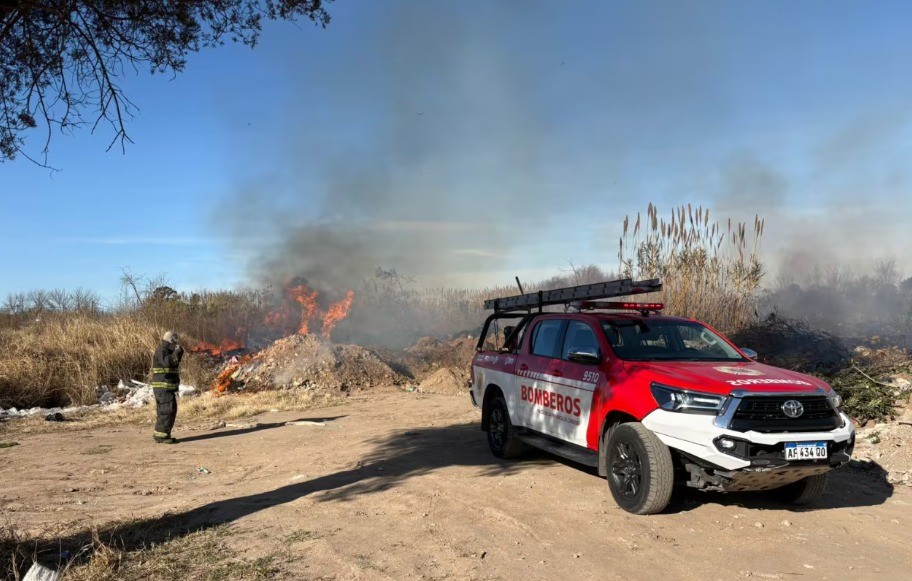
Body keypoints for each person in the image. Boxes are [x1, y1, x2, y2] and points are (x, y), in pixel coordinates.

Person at [151, 330, 183, 443]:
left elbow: (173, 363)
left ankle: (162, 434)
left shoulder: (167, 350)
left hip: (165, 387)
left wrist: (178, 352)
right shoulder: (162, 350)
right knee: (167, 410)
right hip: (163, 387)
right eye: (175, 340)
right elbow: (168, 363)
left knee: (168, 410)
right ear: (171, 339)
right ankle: (161, 436)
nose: (176, 343)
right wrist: (176, 352)